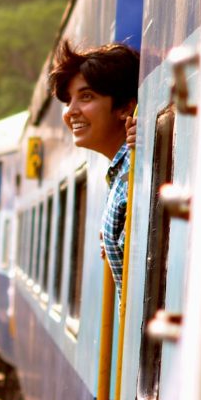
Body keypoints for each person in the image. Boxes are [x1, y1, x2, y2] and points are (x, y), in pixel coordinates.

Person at [50, 40, 140, 299]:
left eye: (86, 96)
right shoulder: (121, 174)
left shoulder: (137, 172)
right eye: (69, 100)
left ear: (125, 107)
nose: (70, 112)